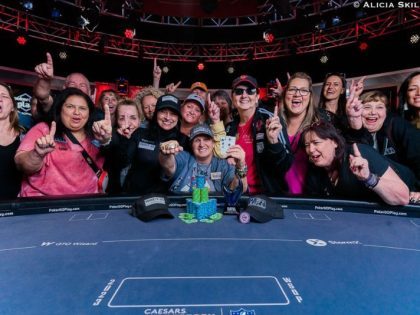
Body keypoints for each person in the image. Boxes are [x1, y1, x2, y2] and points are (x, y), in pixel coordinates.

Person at [14, 88, 112, 197]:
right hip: (43, 204)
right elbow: (22, 164)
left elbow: (119, 160)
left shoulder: (98, 134)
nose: (77, 112)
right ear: (60, 108)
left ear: (89, 113)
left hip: (85, 205)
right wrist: (37, 154)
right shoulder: (44, 130)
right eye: (70, 107)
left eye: (83, 108)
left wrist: (106, 140)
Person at [303, 121, 410, 206]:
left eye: (316, 143)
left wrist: (368, 178)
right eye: (307, 145)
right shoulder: (315, 170)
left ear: (334, 142)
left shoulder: (359, 153)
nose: (311, 150)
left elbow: (403, 197)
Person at [345, 90, 420, 198]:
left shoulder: (397, 126)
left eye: (379, 107)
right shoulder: (351, 133)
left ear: (386, 112)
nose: (373, 112)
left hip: (406, 190)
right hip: (370, 192)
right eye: (367, 107)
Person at [225, 74, 293, 194]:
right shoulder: (229, 128)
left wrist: (273, 142)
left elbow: (286, 164)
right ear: (233, 97)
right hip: (239, 194)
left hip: (267, 196)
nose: (244, 95)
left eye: (250, 91)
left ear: (257, 97)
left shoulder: (270, 118)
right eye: (239, 91)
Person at [112, 94, 189, 194]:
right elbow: (122, 162)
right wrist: (122, 139)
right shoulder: (140, 133)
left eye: (173, 113)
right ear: (156, 113)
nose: (167, 117)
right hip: (135, 196)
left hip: (167, 200)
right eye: (163, 112)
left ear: (178, 117)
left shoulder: (184, 141)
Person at [159, 123, 247, 193]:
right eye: (197, 140)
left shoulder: (223, 165)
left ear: (213, 144)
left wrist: (241, 167)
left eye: (206, 139)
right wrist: (165, 152)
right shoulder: (184, 157)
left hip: (213, 212)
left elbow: (237, 190)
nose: (202, 144)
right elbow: (169, 165)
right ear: (191, 145)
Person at [279, 72, 318, 195]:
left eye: (303, 90)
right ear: (285, 94)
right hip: (277, 199)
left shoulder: (318, 127)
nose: (297, 94)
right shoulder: (274, 125)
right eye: (292, 89)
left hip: (308, 201)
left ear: (310, 96)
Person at [104, 98, 142, 194]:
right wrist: (105, 139)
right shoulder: (111, 137)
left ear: (139, 120)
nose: (127, 123)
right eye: (121, 118)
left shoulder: (146, 137)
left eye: (133, 118)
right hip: (115, 197)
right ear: (116, 121)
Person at [0, 83, 23, 199]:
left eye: (4, 96)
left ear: (13, 106)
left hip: (18, 209)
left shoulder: (25, 136)